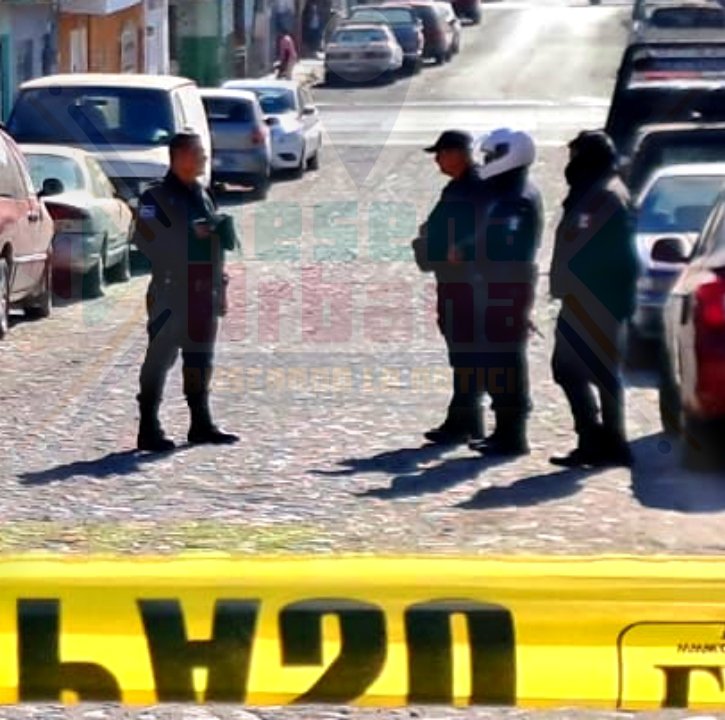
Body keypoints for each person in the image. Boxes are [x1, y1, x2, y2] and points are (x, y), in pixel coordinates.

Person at [133, 132, 239, 452]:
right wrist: (187, 234)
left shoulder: (203, 194)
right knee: (160, 359)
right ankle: (148, 426)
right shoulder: (155, 197)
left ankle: (200, 422)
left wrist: (221, 288)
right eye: (199, 154)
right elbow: (144, 242)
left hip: (203, 292)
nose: (204, 160)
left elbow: (217, 247)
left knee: (200, 359)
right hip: (170, 290)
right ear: (179, 156)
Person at [549, 130, 640, 468]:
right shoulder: (601, 188)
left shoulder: (602, 195)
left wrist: (570, 284)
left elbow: (590, 247)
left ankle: (598, 439)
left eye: (575, 154)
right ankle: (608, 440)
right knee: (600, 370)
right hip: (596, 298)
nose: (570, 161)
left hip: (593, 299)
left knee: (570, 368)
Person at [467, 128, 543, 457]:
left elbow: (502, 246)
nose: (486, 162)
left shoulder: (515, 199)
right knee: (496, 358)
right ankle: (504, 431)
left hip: (506, 286)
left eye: (491, 157)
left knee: (505, 360)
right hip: (502, 283)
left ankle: (512, 435)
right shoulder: (510, 189)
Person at [412, 130, 490, 446]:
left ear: (458, 153)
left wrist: (449, 248)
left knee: (467, 354)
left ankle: (465, 422)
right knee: (462, 355)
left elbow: (482, 234)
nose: (436, 160)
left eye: (441, 153)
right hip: (453, 283)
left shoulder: (474, 189)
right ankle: (465, 420)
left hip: (467, 285)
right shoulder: (459, 187)